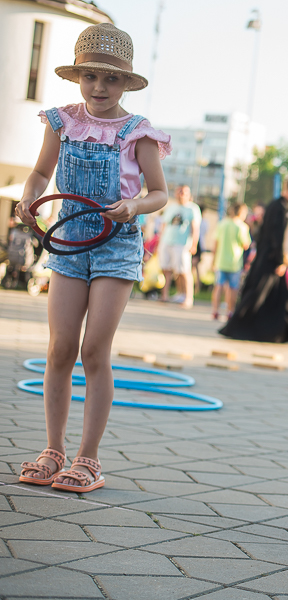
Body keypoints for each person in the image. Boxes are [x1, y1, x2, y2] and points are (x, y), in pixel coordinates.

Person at [14, 23, 169, 492]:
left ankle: (89, 457)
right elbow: (41, 173)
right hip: (68, 243)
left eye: (111, 79)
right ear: (77, 77)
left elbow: (158, 192)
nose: (99, 88)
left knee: (93, 350)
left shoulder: (136, 132)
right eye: (90, 77)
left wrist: (135, 206)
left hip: (116, 244)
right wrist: (28, 199)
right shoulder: (62, 121)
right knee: (60, 348)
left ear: (126, 83)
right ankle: (53, 448)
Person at [219, 177, 288, 343]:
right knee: (258, 295)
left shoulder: (278, 206)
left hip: (267, 257)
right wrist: (280, 260)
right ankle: (240, 327)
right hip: (270, 260)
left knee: (278, 297)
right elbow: (276, 236)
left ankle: (284, 333)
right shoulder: (280, 208)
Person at [158, 184, 201, 308]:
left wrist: (194, 244)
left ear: (188, 194)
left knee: (184, 271)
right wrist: (159, 242)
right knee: (166, 269)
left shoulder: (192, 208)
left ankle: (188, 297)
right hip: (167, 242)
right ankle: (165, 295)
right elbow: (164, 225)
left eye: (184, 192)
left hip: (182, 244)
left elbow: (195, 228)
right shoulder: (171, 207)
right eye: (179, 192)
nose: (181, 194)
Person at [211, 202, 252, 320]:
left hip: (221, 260)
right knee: (233, 288)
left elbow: (216, 243)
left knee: (218, 287)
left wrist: (213, 260)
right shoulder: (242, 227)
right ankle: (230, 311)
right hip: (234, 262)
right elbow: (246, 244)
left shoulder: (222, 224)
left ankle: (215, 310)